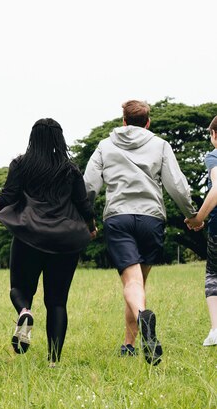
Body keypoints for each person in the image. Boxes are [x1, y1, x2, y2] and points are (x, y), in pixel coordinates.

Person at [0, 118, 95, 366]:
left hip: (28, 237)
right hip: (64, 243)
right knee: (57, 302)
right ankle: (54, 361)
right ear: (60, 139)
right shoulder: (70, 170)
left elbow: (5, 198)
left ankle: (25, 312)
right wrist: (91, 228)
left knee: (19, 290)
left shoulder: (21, 165)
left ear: (33, 138)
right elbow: (84, 205)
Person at [84, 100, 197, 365]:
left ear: (123, 121)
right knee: (137, 284)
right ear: (148, 122)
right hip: (150, 219)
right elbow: (177, 186)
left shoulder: (105, 145)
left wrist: (87, 221)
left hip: (119, 218)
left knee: (132, 284)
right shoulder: (160, 145)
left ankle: (141, 321)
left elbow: (88, 187)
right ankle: (129, 344)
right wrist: (191, 215)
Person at [185, 116, 217, 346]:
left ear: (215, 135)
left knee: (213, 275)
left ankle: (216, 329)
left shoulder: (214, 156)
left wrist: (198, 218)